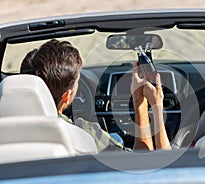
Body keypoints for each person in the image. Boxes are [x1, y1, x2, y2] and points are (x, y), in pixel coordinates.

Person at [20, 39, 171, 152]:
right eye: (77, 82)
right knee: (116, 139)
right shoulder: (84, 134)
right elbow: (141, 165)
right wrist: (142, 103)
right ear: (67, 97)